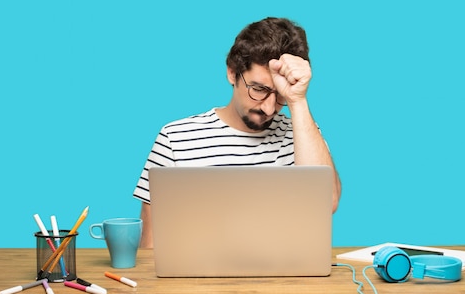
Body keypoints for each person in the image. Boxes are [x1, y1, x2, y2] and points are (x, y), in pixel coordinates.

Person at [133, 17, 341, 248]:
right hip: (198, 281)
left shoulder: (303, 135)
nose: (269, 108)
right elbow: (150, 247)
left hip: (287, 279)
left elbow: (326, 204)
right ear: (232, 73)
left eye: (279, 94)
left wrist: (297, 99)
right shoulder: (175, 138)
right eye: (259, 89)